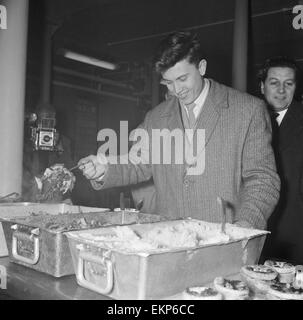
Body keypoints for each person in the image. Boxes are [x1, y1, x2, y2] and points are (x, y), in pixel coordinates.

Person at [78, 30, 280, 229]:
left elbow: (263, 180)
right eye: (168, 82)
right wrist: (104, 170)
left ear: (201, 67)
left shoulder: (247, 110)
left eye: (182, 79)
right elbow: (138, 164)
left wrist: (244, 226)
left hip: (224, 241)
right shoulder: (155, 118)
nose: (176, 90)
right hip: (170, 240)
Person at [258, 56, 303, 264]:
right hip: (256, 229)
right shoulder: (248, 119)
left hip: (295, 234)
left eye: (289, 83)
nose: (281, 90)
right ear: (262, 86)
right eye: (274, 83)